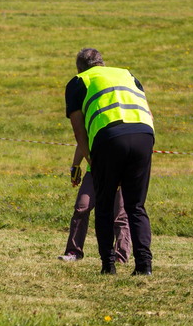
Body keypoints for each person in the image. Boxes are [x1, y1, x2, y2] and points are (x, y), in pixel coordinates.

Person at [65, 48, 154, 275]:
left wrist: (89, 160)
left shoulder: (78, 82)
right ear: (102, 64)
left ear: (80, 68)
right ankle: (144, 266)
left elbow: (79, 130)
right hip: (144, 135)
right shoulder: (127, 74)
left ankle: (109, 266)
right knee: (136, 206)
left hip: (110, 137)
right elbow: (148, 112)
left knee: (104, 205)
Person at [58, 146, 131, 263]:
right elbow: (81, 142)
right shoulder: (89, 126)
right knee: (81, 208)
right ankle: (74, 252)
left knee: (119, 216)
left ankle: (120, 256)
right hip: (93, 172)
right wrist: (75, 166)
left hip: (117, 172)